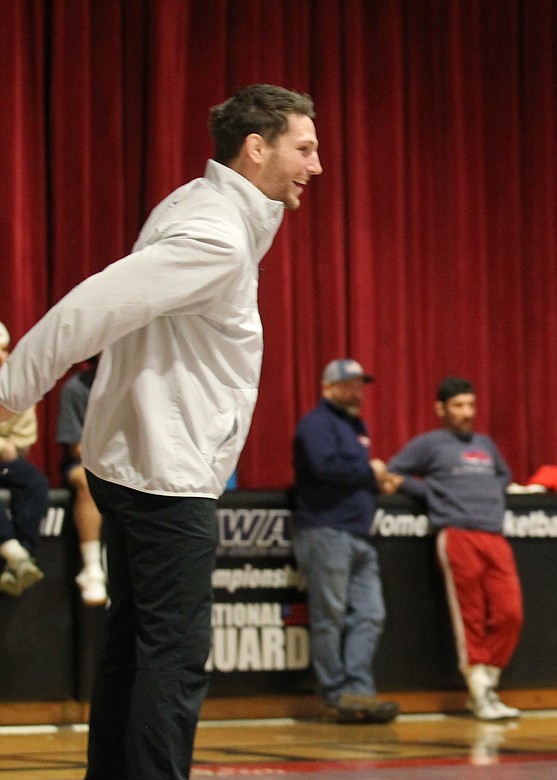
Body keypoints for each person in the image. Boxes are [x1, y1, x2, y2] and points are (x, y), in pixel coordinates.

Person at [0, 84, 322, 779]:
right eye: (305, 147)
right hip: (164, 475)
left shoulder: (199, 204)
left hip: (135, 463)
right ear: (256, 148)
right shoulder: (215, 233)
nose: (316, 165)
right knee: (173, 658)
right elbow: (92, 306)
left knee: (134, 643)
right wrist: (10, 392)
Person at [388, 376, 523, 721]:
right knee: (470, 616)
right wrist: (432, 492)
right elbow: (394, 473)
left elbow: (503, 476)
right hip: (458, 533)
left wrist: (485, 492)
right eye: (459, 406)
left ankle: (488, 684)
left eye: (471, 405)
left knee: (511, 612)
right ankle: (479, 694)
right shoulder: (430, 444)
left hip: (494, 534)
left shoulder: (485, 443)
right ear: (441, 409)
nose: (467, 412)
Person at [291, 357, 400, 724]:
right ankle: (335, 694)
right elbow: (325, 468)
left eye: (359, 385)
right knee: (329, 616)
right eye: (350, 384)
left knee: (370, 613)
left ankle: (358, 691)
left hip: (358, 533)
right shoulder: (316, 424)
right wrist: (370, 471)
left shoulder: (356, 425)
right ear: (328, 388)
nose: (357, 392)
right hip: (325, 530)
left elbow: (351, 474)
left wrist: (377, 481)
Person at [0, 320, 50, 598]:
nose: (2, 356)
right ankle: (10, 549)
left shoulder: (16, 388)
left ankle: (24, 556)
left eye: (5, 349)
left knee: (34, 481)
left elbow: (21, 445)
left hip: (6, 463)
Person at [56, 355, 106, 606]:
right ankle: (92, 568)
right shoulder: (75, 388)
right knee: (88, 480)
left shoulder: (137, 385)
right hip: (86, 462)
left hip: (126, 465)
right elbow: (75, 447)